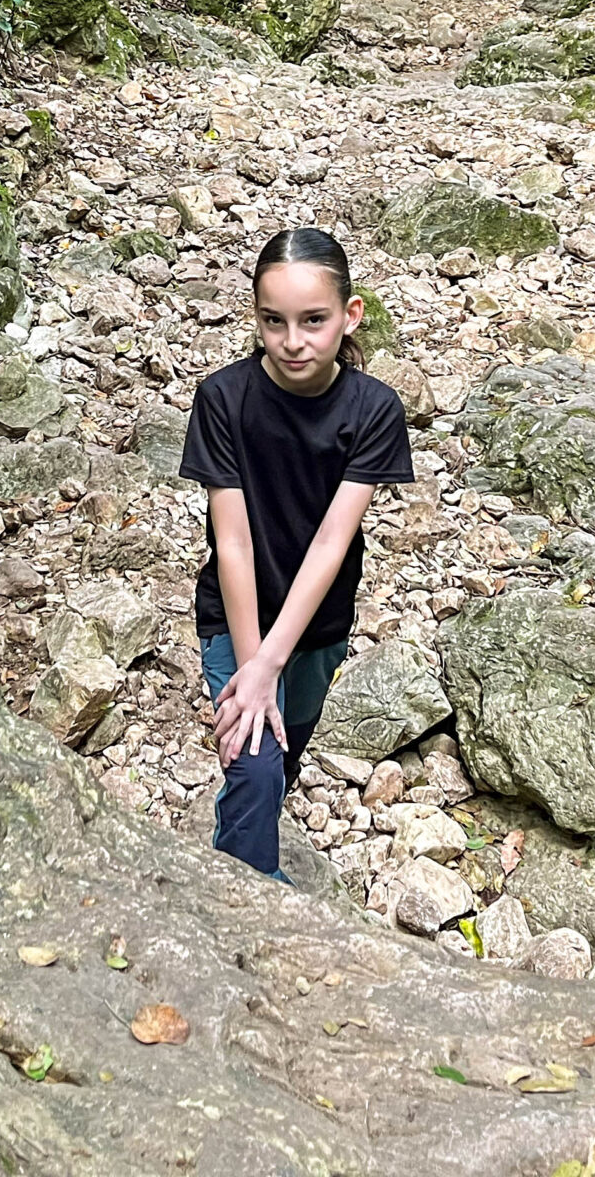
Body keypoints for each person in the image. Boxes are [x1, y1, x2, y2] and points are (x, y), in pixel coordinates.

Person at [179, 227, 415, 880]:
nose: (292, 341)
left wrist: (274, 665)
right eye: (272, 321)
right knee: (254, 754)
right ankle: (249, 897)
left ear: (350, 315)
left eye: (314, 320)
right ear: (255, 317)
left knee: (285, 745)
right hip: (236, 615)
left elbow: (333, 540)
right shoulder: (224, 399)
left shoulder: (374, 410)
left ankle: (250, 825)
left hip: (320, 623)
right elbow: (232, 541)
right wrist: (254, 665)